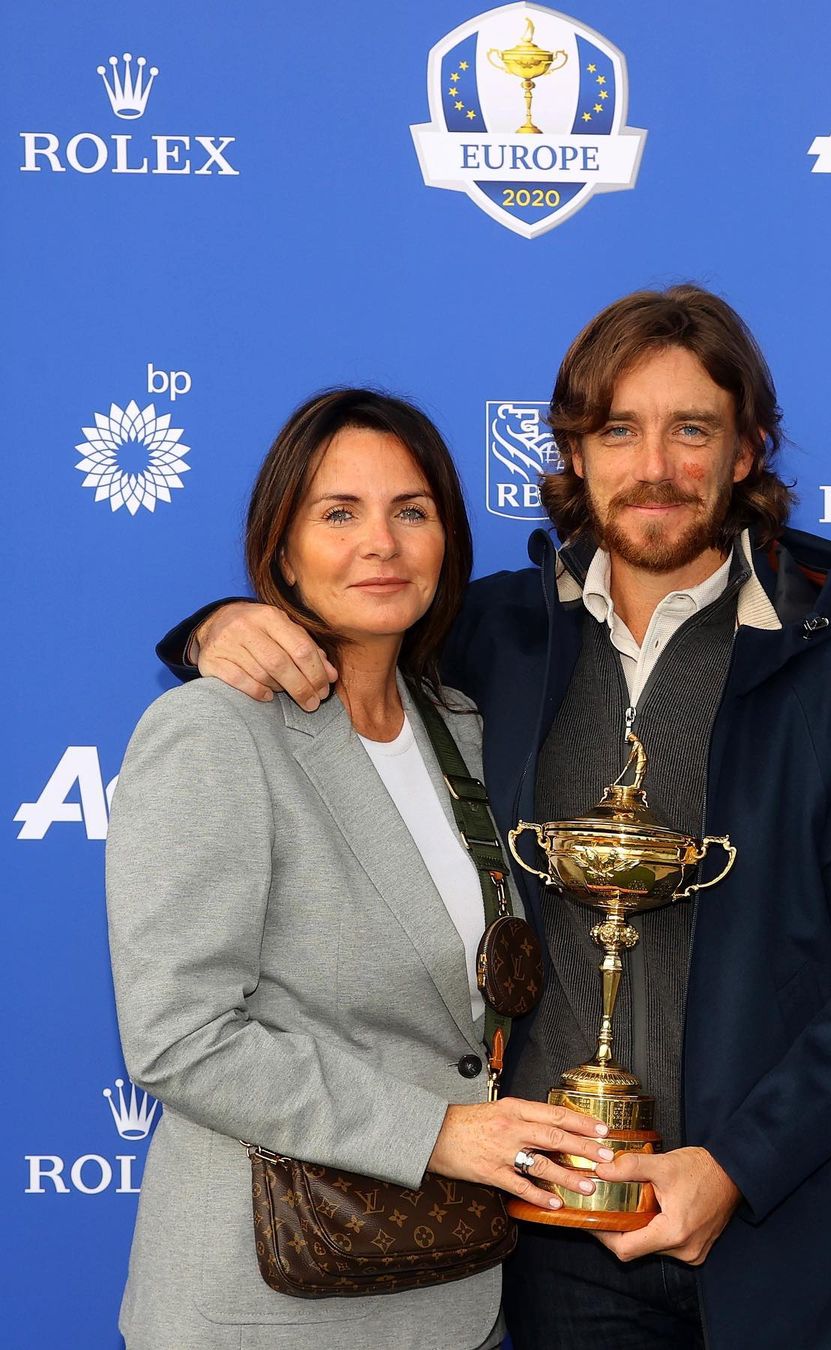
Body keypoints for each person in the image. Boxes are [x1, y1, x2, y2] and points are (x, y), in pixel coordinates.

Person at [158, 289, 831, 1350]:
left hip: (777, 1241)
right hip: (544, 1254)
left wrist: (736, 1167)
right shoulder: (490, 637)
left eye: (693, 429)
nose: (657, 465)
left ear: (746, 453)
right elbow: (341, 624)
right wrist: (218, 626)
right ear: (575, 454)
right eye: (619, 430)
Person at [106, 388, 613, 1350]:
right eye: (338, 513)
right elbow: (180, 1037)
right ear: (281, 550)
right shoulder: (213, 732)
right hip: (260, 1302)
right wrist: (438, 1131)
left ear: (446, 543)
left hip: (444, 1297)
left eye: (410, 511)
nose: (380, 543)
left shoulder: (460, 729)